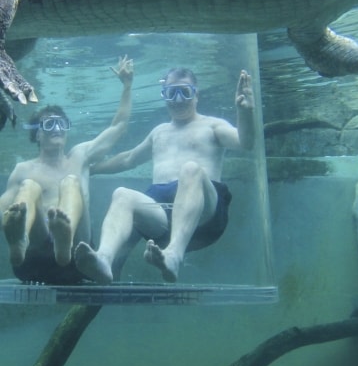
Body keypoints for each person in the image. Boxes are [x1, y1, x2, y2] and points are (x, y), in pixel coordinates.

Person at [75, 67, 254, 284]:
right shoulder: (159, 132)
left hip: (205, 214)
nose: (178, 99)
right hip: (161, 219)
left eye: (184, 92)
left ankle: (174, 255)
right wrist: (92, 168)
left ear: (196, 95)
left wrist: (245, 112)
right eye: (171, 93)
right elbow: (128, 158)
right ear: (164, 96)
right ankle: (104, 260)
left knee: (191, 169)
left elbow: (245, 142)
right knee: (122, 194)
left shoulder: (213, 126)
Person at [0, 56, 134, 284]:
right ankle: (20, 240)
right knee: (29, 187)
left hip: (77, 257)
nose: (57, 129)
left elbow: (118, 127)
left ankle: (65, 238)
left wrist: (127, 86)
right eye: (50, 124)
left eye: (62, 124)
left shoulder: (80, 156)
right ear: (37, 134)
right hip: (35, 258)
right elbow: (4, 207)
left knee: (71, 182)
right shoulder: (23, 169)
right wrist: (10, 221)